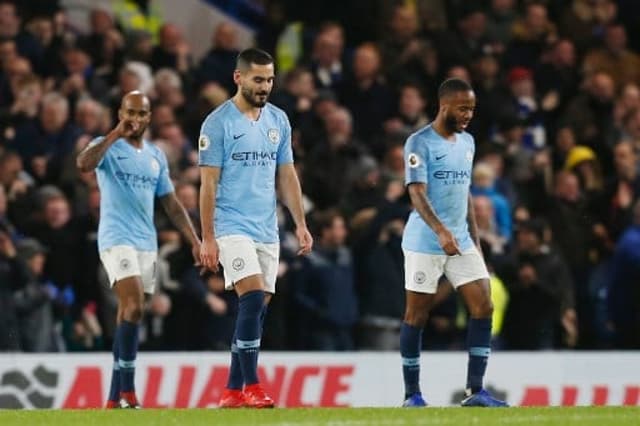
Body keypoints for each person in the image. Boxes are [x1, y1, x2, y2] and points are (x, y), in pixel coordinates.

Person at [198, 48, 312, 408]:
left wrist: (300, 224)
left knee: (257, 309)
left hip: (267, 228)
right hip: (231, 224)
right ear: (239, 78)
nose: (265, 86)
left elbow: (287, 174)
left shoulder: (278, 120)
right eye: (258, 79)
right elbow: (208, 185)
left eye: (270, 79)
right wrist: (209, 238)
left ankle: (232, 390)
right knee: (250, 296)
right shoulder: (217, 124)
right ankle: (252, 384)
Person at [76, 90, 200, 409]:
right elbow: (84, 164)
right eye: (129, 112)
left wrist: (195, 240)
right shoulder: (107, 145)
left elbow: (171, 203)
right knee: (133, 307)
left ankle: (113, 398)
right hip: (116, 237)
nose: (134, 119)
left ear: (149, 117)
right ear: (121, 113)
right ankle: (128, 391)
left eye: (141, 114)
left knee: (130, 314)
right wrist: (116, 133)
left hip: (147, 241)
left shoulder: (156, 156)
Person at [399, 78, 508, 407]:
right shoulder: (419, 143)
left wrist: (473, 241)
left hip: (460, 240)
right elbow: (416, 193)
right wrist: (440, 231)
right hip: (424, 241)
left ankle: (475, 391)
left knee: (484, 305)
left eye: (472, 109)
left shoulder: (468, 143)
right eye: (463, 108)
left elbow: (465, 196)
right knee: (417, 314)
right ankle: (412, 395)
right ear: (444, 105)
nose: (468, 115)